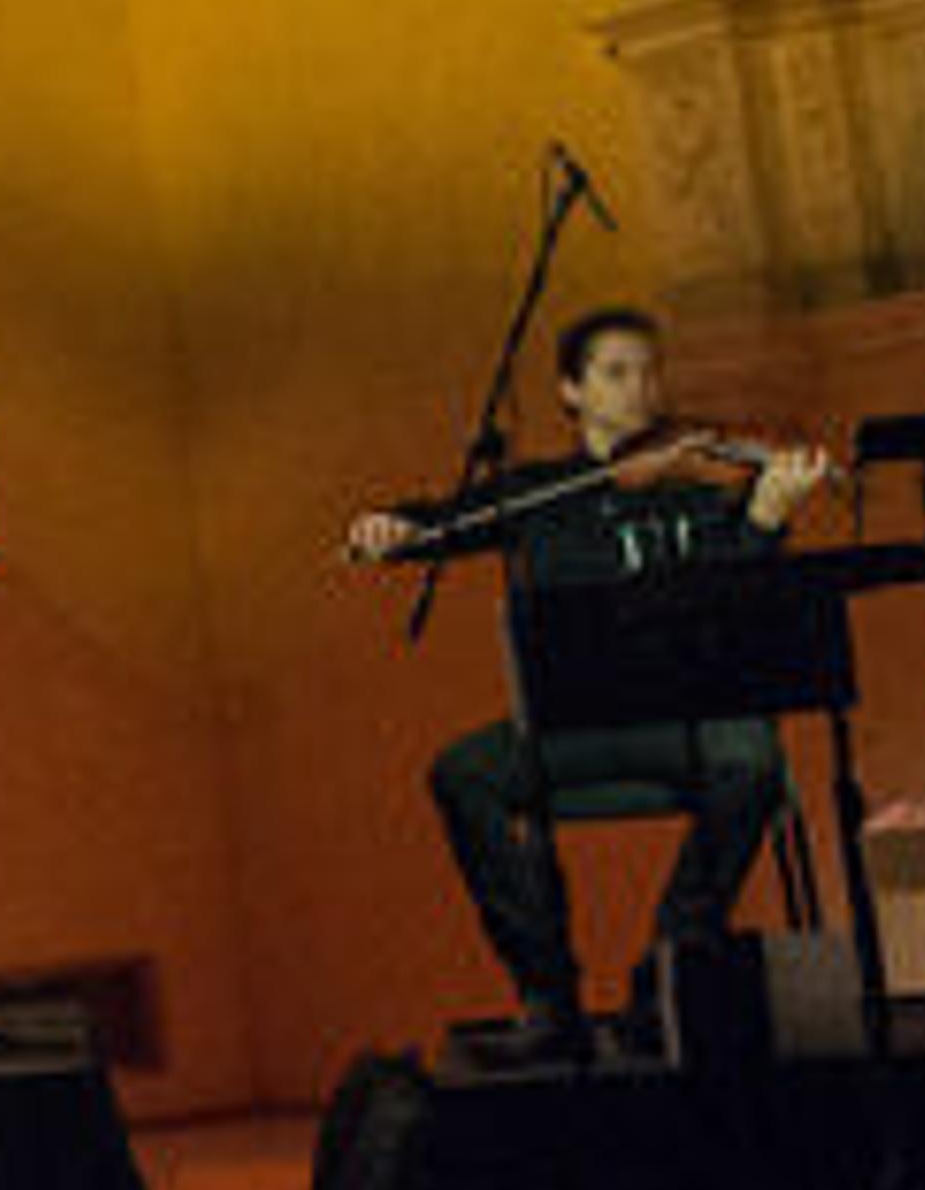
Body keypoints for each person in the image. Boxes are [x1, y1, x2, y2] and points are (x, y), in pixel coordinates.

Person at [349, 304, 826, 1067]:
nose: (641, 389)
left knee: (756, 759)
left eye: (649, 370)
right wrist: (390, 527)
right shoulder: (539, 492)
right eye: (616, 372)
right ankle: (547, 994)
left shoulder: (701, 486)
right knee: (462, 772)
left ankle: (670, 968)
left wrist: (764, 519)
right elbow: (442, 520)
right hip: (572, 727)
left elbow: (749, 607)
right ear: (572, 391)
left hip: (685, 723)